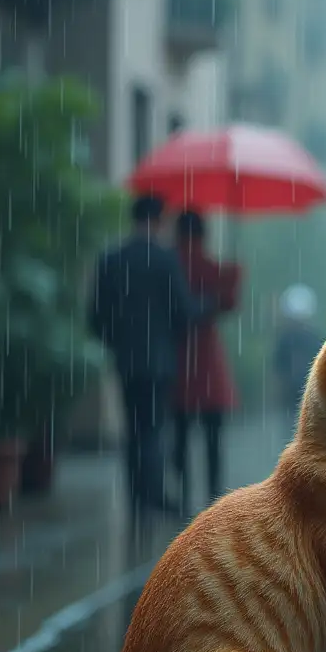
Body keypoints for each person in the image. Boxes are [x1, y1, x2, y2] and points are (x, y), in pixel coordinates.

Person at [87, 194, 211, 530]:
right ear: (157, 221)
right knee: (154, 430)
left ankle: (135, 501)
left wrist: (118, 342)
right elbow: (184, 311)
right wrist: (210, 304)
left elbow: (95, 317)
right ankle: (154, 498)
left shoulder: (112, 258)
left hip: (126, 361)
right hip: (159, 361)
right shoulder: (165, 259)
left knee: (133, 429)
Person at [172, 209, 243, 516]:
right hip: (209, 360)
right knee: (213, 435)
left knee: (180, 433)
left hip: (178, 358)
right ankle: (215, 497)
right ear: (203, 233)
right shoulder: (213, 267)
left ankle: (182, 495)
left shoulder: (170, 262)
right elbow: (228, 303)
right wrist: (233, 274)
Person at [273, 284, 321, 425]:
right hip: (293, 392)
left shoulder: (312, 337)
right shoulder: (286, 339)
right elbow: (279, 367)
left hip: (308, 391)